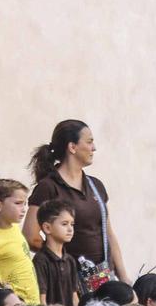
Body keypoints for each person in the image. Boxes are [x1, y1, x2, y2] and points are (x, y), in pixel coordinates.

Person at [26, 120, 127, 280]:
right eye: (89, 142)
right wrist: (62, 259)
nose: (94, 148)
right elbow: (30, 236)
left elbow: (108, 234)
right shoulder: (48, 187)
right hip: (66, 281)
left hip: (103, 279)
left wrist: (123, 277)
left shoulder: (96, 185)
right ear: (72, 147)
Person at [30, 200, 83, 306]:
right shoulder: (41, 260)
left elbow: (74, 297)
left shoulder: (70, 260)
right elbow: (41, 299)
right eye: (64, 224)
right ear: (47, 228)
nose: (70, 229)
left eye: (72, 224)